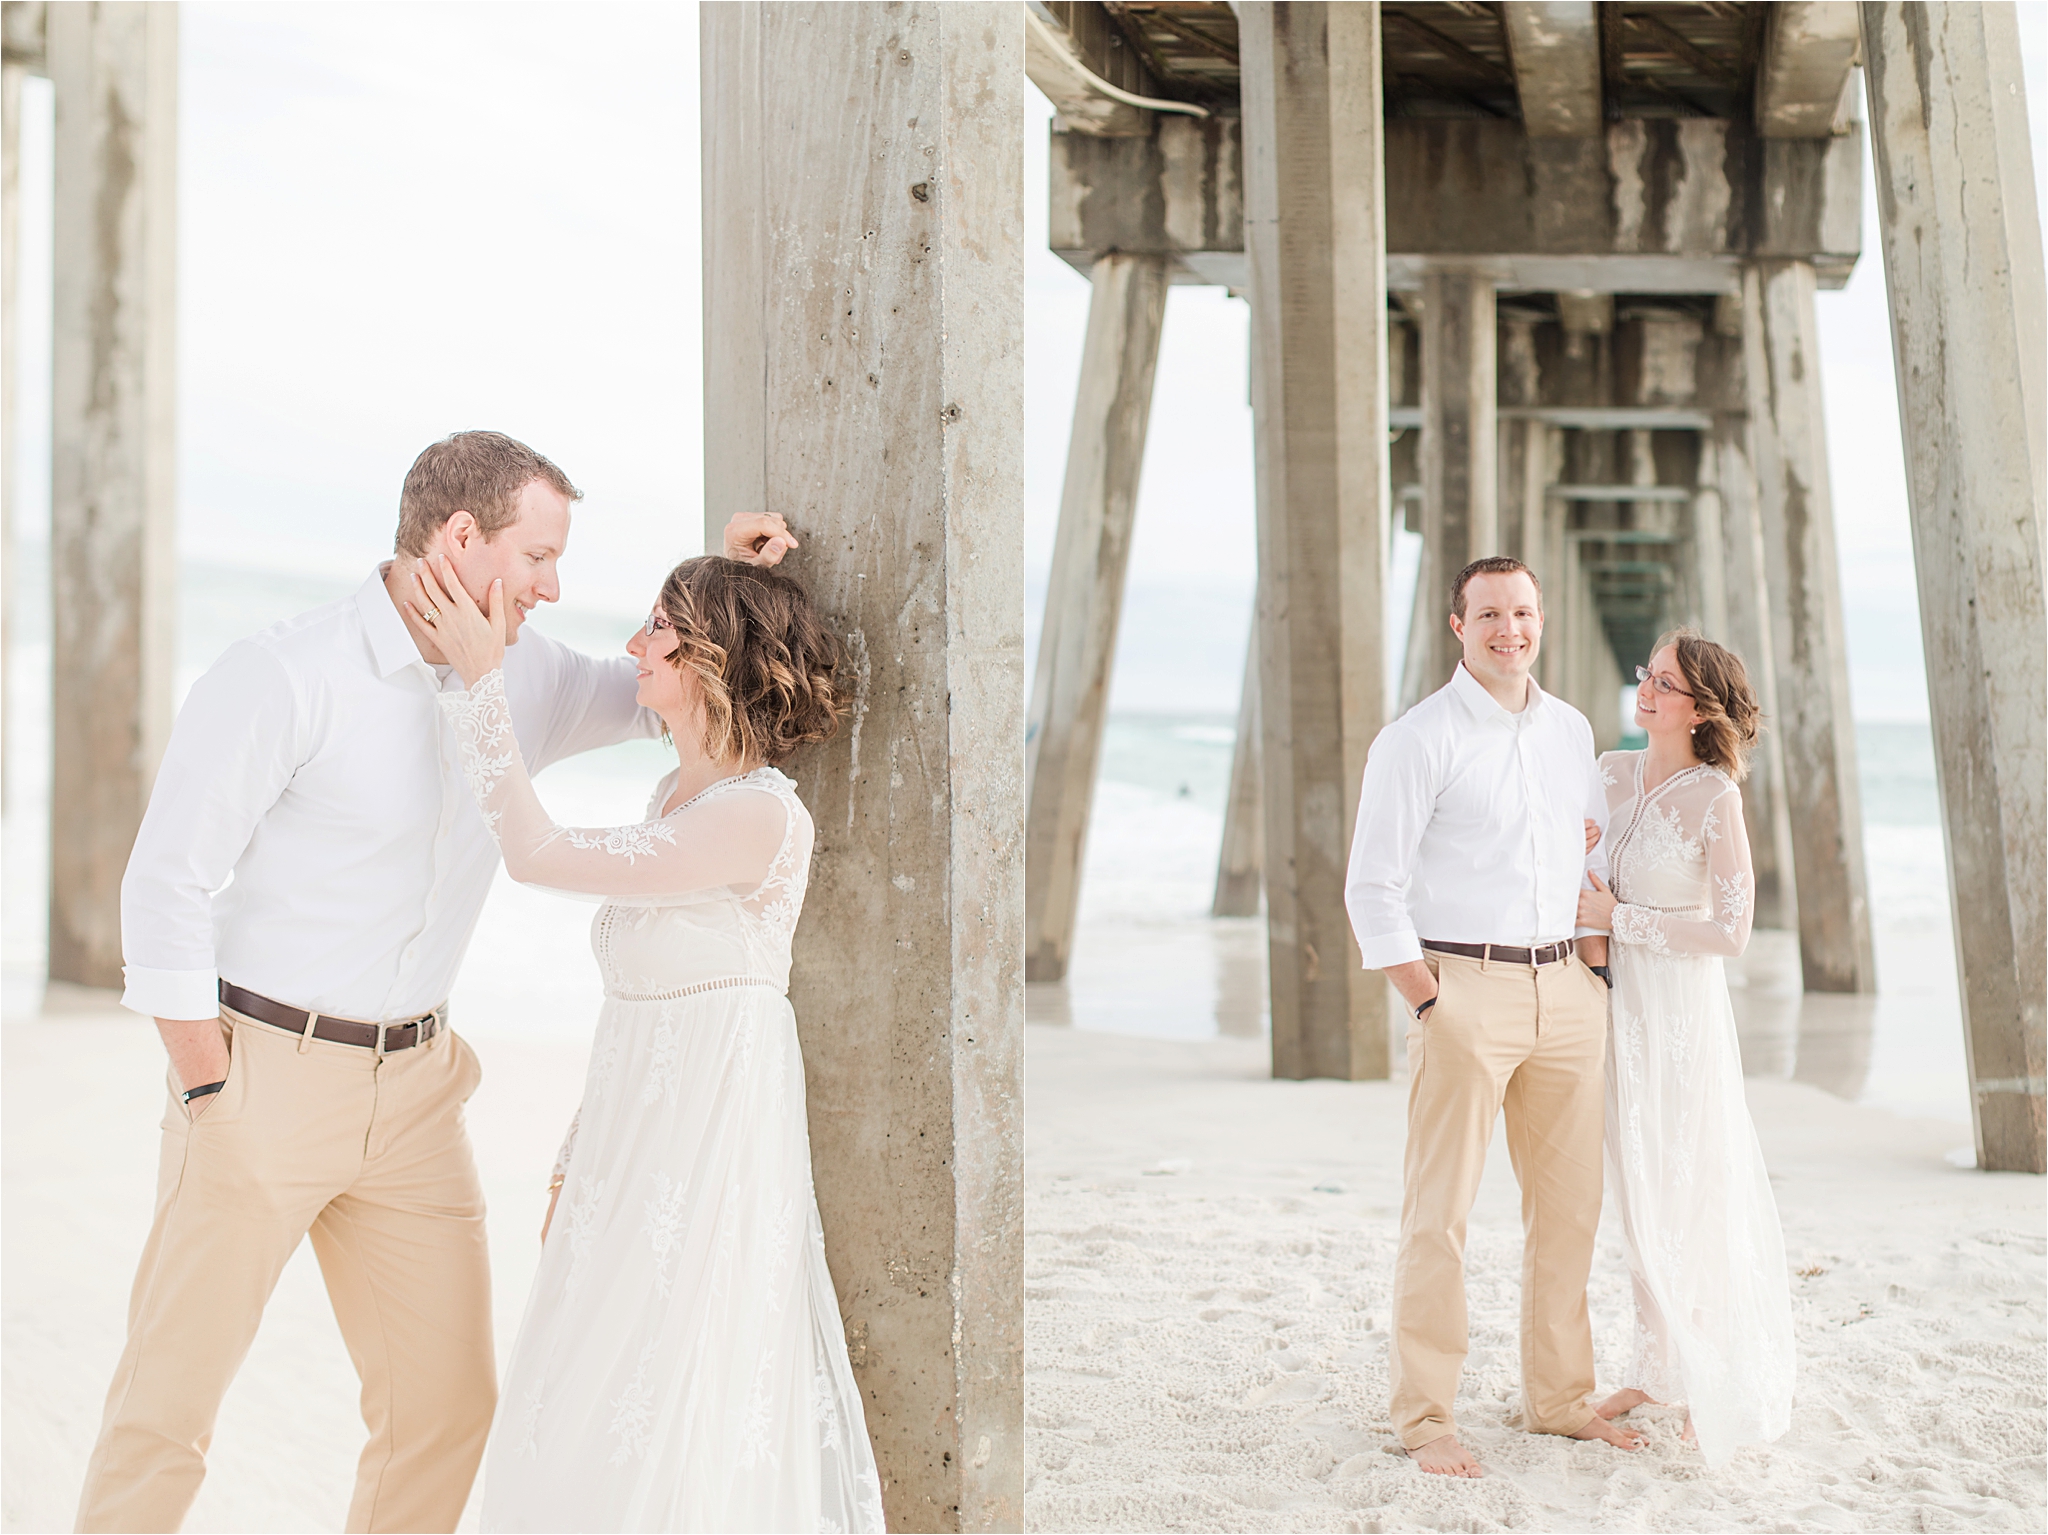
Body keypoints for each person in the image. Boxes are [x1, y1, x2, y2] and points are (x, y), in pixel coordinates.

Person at [80, 429, 792, 1534]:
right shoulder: (283, 672)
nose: (554, 587)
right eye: (538, 555)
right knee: (168, 1408)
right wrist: (208, 1084)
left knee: (446, 1410)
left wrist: (732, 571)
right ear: (461, 538)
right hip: (260, 1076)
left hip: (419, 1094)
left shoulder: (532, 674)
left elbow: (668, 681)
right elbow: (165, 881)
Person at [413, 550, 884, 1532]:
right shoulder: (672, 793)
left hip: (709, 1144)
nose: (634, 644)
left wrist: (483, 683)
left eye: (658, 628)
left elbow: (537, 854)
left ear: (716, 656)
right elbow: (639, 1000)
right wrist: (579, 1143)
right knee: (587, 1367)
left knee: (672, 1375)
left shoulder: (759, 816)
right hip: (631, 1135)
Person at [1345, 555, 1643, 1478]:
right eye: (1488, 614)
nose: (1508, 629)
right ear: (1457, 626)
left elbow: (1583, 860)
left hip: (1566, 990)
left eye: (1521, 611)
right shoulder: (1417, 738)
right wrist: (1432, 1002)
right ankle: (1426, 1414)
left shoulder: (1570, 731)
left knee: (1570, 1211)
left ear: (1542, 618)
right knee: (1441, 1214)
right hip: (1464, 990)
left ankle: (1559, 1398)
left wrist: (1594, 976)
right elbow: (1371, 887)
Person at [1578, 631, 1795, 1466]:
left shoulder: (1716, 799)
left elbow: (1732, 932)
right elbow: (1574, 866)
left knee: (1689, 1183)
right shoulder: (1606, 769)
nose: (1647, 691)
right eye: (1646, 675)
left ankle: (1708, 1371)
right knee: (1634, 1183)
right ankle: (1653, 1361)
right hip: (1609, 1003)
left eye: (1664, 683)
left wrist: (1620, 920)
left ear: (1701, 708)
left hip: (1679, 1012)